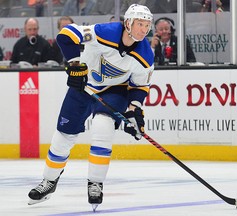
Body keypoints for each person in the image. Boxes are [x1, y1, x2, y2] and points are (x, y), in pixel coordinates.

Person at [28, 3, 154, 210]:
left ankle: (95, 183)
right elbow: (66, 35)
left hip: (115, 90)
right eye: (140, 23)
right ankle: (49, 181)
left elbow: (139, 86)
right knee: (64, 134)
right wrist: (75, 66)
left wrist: (135, 111)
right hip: (84, 86)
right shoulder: (105, 32)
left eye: (147, 25)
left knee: (102, 126)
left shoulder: (145, 55)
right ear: (128, 22)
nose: (143, 29)